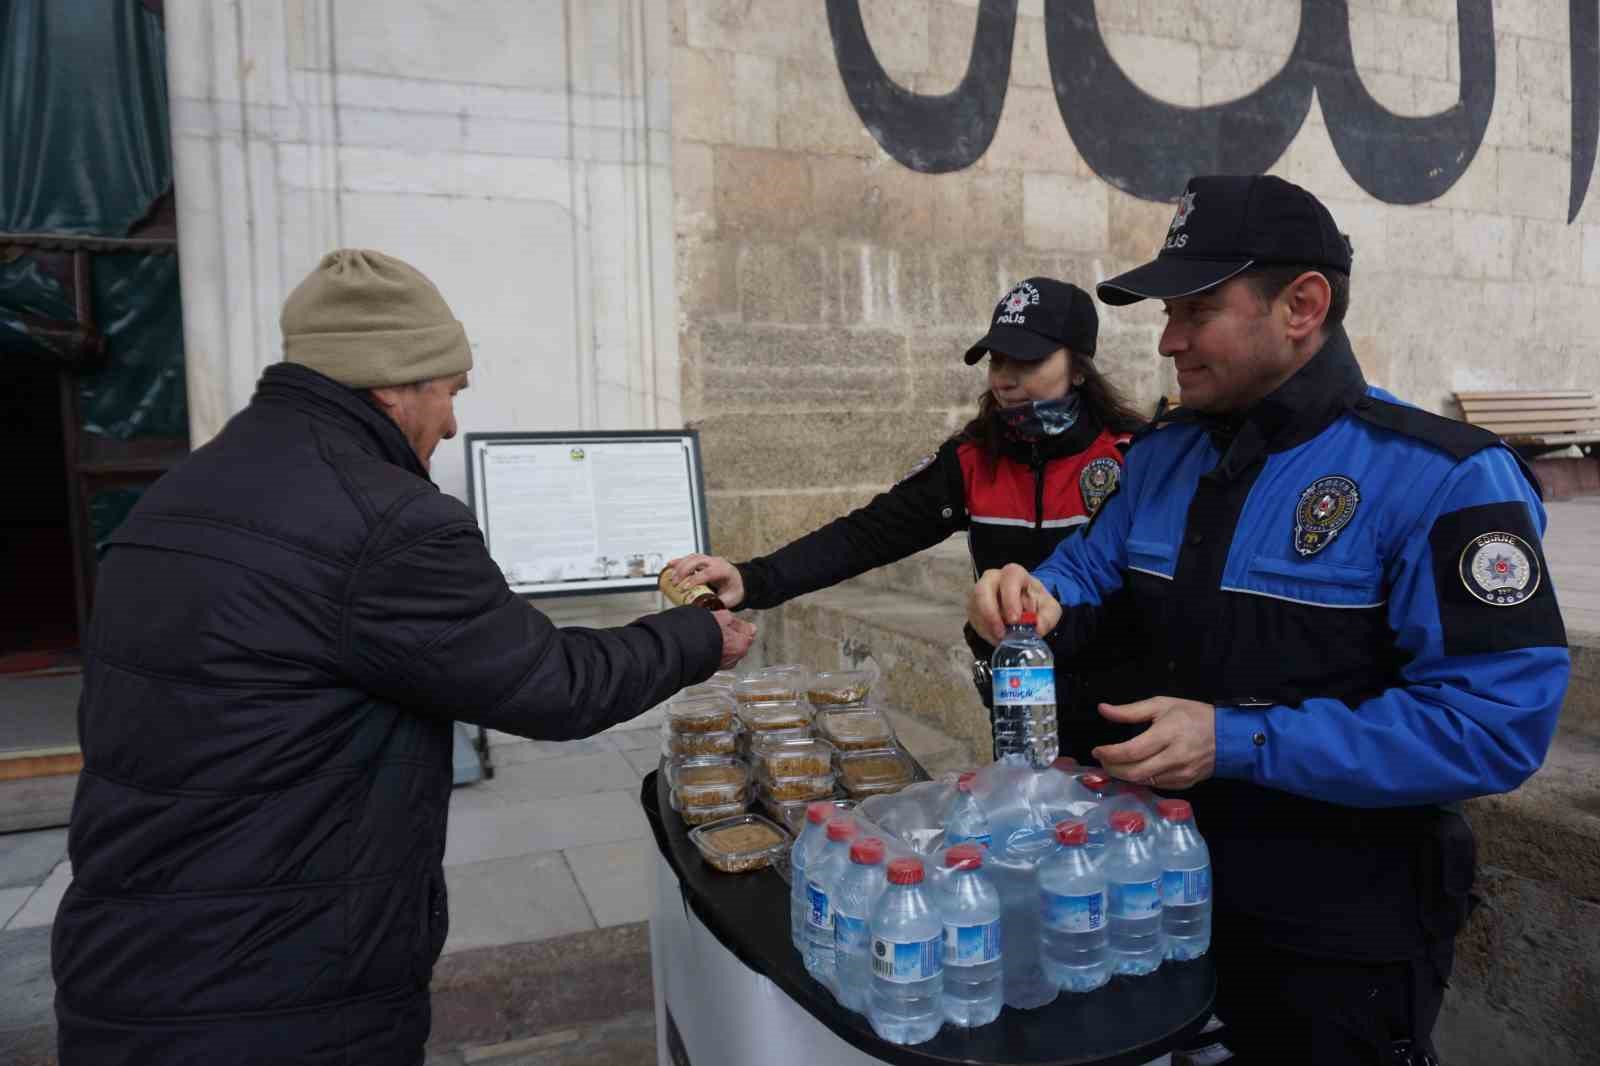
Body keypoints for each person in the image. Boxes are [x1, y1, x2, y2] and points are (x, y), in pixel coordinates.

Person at [51, 250, 757, 1065]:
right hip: (276, 984)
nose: (453, 423)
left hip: (130, 957)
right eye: (448, 393)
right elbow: (549, 686)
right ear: (391, 385)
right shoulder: (387, 521)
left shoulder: (181, 491)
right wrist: (697, 638)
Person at [968, 175, 1568, 1064]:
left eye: (1196, 312)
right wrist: (1033, 592)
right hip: (1159, 887)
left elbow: (1492, 728)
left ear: (1303, 306)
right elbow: (1087, 569)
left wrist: (1238, 742)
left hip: (1338, 924)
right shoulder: (1166, 455)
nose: (1168, 340)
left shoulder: (1442, 475)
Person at [666, 277, 1145, 742]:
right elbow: (869, 534)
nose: (1004, 378)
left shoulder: (1133, 455)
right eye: (998, 359)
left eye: (1028, 360)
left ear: (1080, 368)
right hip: (1017, 694)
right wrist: (752, 579)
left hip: (1120, 700)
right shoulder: (972, 459)